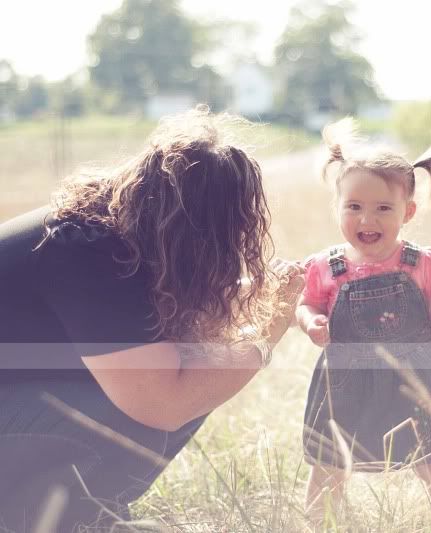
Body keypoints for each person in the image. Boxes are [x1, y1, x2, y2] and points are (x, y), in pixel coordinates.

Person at [0, 106, 305, 532]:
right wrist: (268, 331)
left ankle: (79, 514)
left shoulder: (112, 234)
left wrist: (243, 295)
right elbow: (161, 404)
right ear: (195, 232)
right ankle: (53, 521)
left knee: (188, 376)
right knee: (143, 414)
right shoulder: (87, 249)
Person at [296, 119, 431, 526]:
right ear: (338, 208)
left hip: (415, 382)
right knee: (329, 464)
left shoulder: (421, 262)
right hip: (344, 384)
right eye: (354, 207)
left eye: (383, 208)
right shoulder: (327, 266)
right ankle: (320, 525)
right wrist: (311, 322)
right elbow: (306, 305)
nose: (366, 220)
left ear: (407, 212)